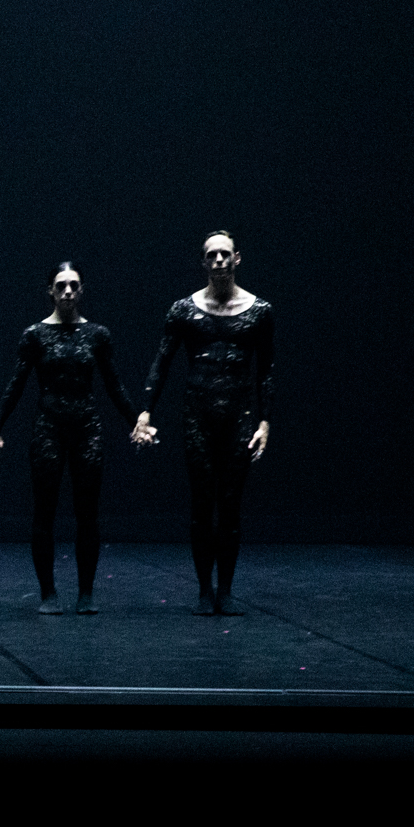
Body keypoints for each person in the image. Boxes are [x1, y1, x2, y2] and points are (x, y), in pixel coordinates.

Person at [0, 261, 136, 615]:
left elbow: (113, 384)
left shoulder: (97, 334)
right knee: (44, 512)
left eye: (74, 285)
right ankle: (48, 593)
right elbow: (15, 384)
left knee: (87, 514)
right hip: (48, 428)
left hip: (86, 428)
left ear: (82, 291)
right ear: (50, 291)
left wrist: (135, 421)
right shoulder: (35, 334)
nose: (68, 291)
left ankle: (85, 593)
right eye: (61, 285)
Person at [131, 231, 274, 616]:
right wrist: (145, 411)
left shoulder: (259, 311)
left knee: (229, 505)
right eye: (212, 256)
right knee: (201, 504)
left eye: (225, 254)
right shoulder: (183, 310)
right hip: (198, 415)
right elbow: (162, 362)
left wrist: (265, 421)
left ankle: (225, 589)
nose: (219, 261)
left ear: (237, 258)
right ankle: (203, 589)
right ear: (204, 262)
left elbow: (266, 370)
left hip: (239, 418)